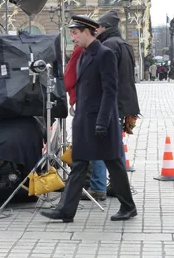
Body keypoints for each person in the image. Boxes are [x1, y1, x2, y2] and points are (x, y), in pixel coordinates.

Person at [40, 16, 137, 222]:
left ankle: (128, 207)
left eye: (75, 33)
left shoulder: (105, 54)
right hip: (84, 121)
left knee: (114, 165)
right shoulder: (84, 55)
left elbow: (110, 91)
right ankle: (66, 210)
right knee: (79, 165)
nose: (72, 37)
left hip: (101, 122)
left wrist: (103, 121)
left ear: (87, 31)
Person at [79, 10, 141, 200]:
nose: (96, 30)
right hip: (125, 102)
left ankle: (98, 186)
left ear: (105, 28)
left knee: (100, 144)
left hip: (109, 104)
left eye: (98, 27)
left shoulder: (107, 46)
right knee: (115, 145)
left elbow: (105, 79)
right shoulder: (125, 45)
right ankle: (117, 184)